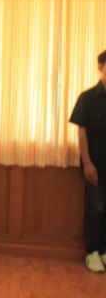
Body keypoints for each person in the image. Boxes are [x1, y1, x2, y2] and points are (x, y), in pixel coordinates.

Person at [70, 49, 106, 273]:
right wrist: (87, 163)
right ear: (101, 67)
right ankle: (92, 252)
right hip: (96, 165)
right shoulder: (88, 97)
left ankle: (104, 251)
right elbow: (81, 132)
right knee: (97, 208)